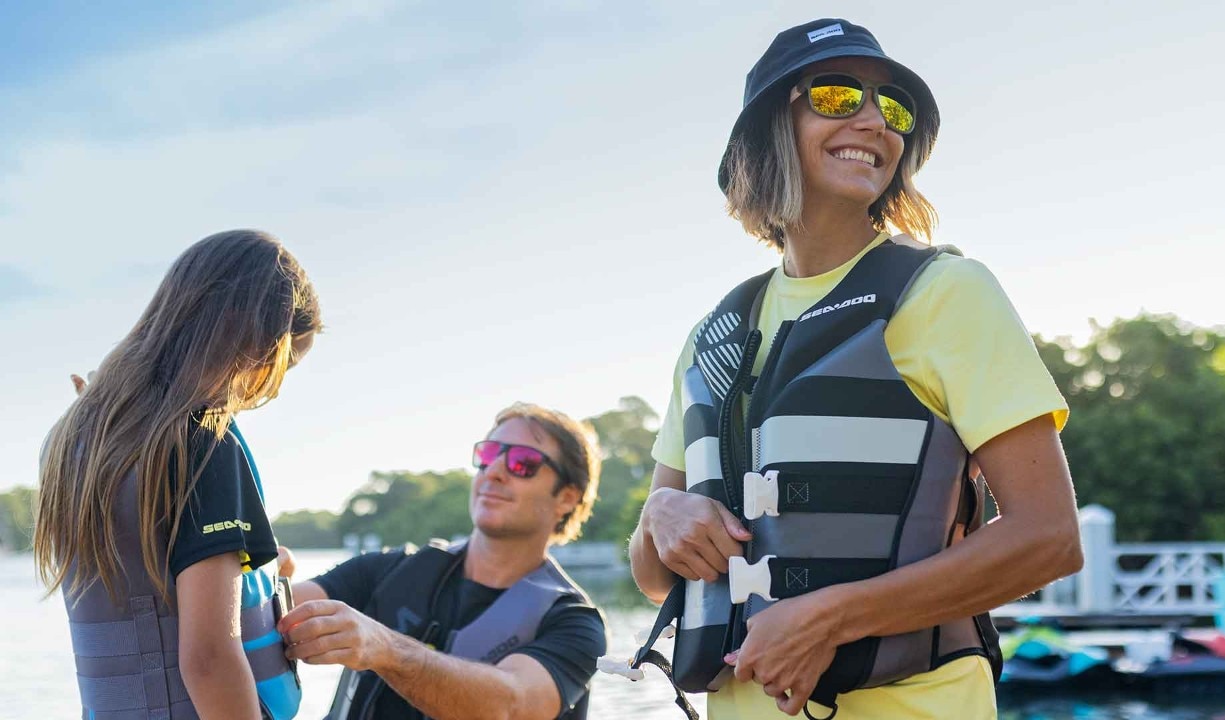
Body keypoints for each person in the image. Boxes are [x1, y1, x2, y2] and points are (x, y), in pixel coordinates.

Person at [625, 18, 1083, 720]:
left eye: (893, 109)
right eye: (838, 97)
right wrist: (661, 513)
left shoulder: (947, 293)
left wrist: (831, 618)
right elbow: (654, 576)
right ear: (767, 130)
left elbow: (1048, 538)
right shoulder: (714, 334)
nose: (875, 122)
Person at [34, 229, 321, 720]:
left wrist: (264, 571)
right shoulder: (202, 440)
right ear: (256, 343)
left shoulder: (76, 437)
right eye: (281, 367)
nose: (266, 391)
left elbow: (143, 571)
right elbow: (209, 659)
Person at [277, 403, 608, 720]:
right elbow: (266, 620)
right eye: (489, 455)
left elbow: (511, 706)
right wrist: (264, 584)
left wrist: (386, 649)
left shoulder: (575, 624)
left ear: (567, 497)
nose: (494, 471)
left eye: (523, 462)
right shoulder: (384, 571)